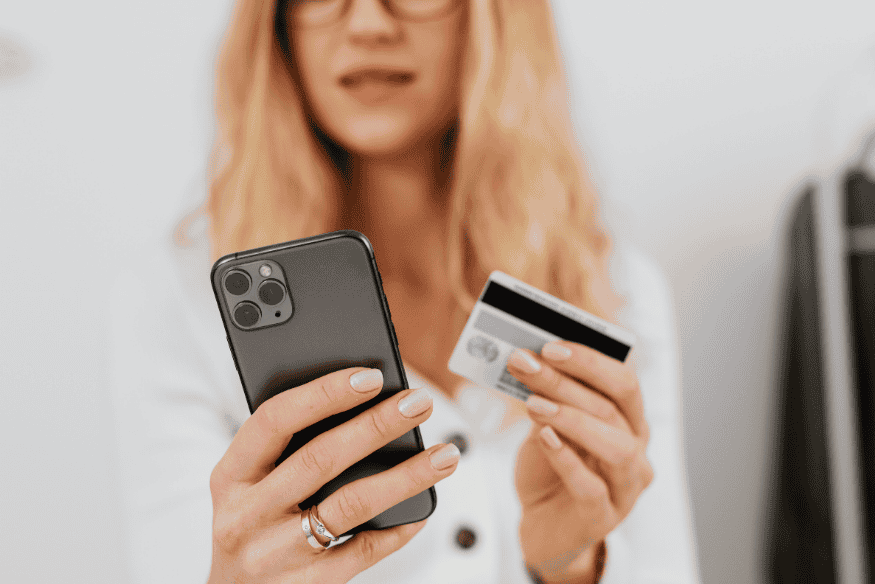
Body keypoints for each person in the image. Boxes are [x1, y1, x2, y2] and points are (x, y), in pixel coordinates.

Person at [109, 0, 700, 582]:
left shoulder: (610, 286)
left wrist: (567, 563)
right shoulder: (182, 301)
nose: (368, 23)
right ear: (277, 22)